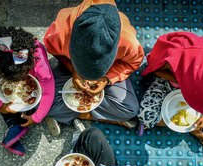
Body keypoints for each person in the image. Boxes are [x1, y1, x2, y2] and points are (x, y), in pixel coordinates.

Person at [43, 0, 144, 133]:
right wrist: (73, 70)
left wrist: (106, 79)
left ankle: (71, 115)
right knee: (42, 102)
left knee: (130, 109)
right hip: (69, 67)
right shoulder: (59, 33)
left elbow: (133, 62)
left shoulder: (128, 41)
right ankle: (105, 117)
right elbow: (55, 52)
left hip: (108, 73)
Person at [137, 32, 203, 152]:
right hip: (166, 82)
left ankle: (192, 125)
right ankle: (192, 129)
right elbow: (157, 71)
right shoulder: (173, 54)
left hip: (193, 89)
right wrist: (182, 82)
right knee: (146, 117)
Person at [0, 26, 55, 156]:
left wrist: (36, 118)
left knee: (38, 101)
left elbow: (48, 91)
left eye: (20, 77)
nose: (15, 83)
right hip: (9, 69)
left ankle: (15, 125)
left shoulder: (39, 64)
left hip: (34, 83)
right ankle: (15, 125)